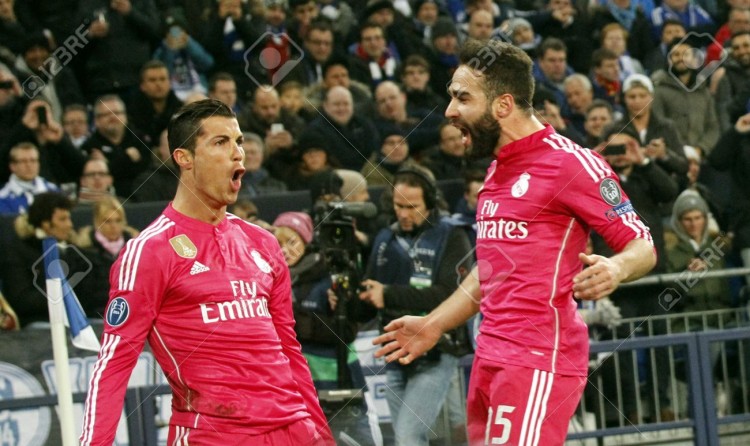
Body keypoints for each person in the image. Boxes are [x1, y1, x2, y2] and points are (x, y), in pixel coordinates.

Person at [371, 39, 656, 445]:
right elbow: (489, 272)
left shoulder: (571, 164)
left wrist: (617, 266)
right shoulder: (495, 173)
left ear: (503, 105)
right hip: (489, 356)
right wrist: (434, 324)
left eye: (462, 98)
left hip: (538, 358)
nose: (449, 111)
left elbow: (642, 245)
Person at [79, 99, 334, 445]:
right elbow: (114, 363)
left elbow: (289, 349)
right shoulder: (149, 251)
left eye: (239, 141)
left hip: (295, 429)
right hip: (214, 435)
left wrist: (321, 434)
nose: (237, 153)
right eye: (220, 142)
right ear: (184, 158)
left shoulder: (263, 243)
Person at [360, 167, 474, 446]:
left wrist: (388, 294)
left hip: (437, 350)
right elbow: (370, 295)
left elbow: (449, 294)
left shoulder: (451, 235)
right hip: (395, 353)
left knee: (408, 436)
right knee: (405, 439)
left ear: (431, 202)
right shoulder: (385, 239)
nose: (404, 214)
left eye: (412, 207)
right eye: (398, 206)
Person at [0, 142, 58, 215]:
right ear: (12, 166)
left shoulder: (53, 190)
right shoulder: (3, 197)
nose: (29, 165)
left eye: (33, 160)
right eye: (23, 161)